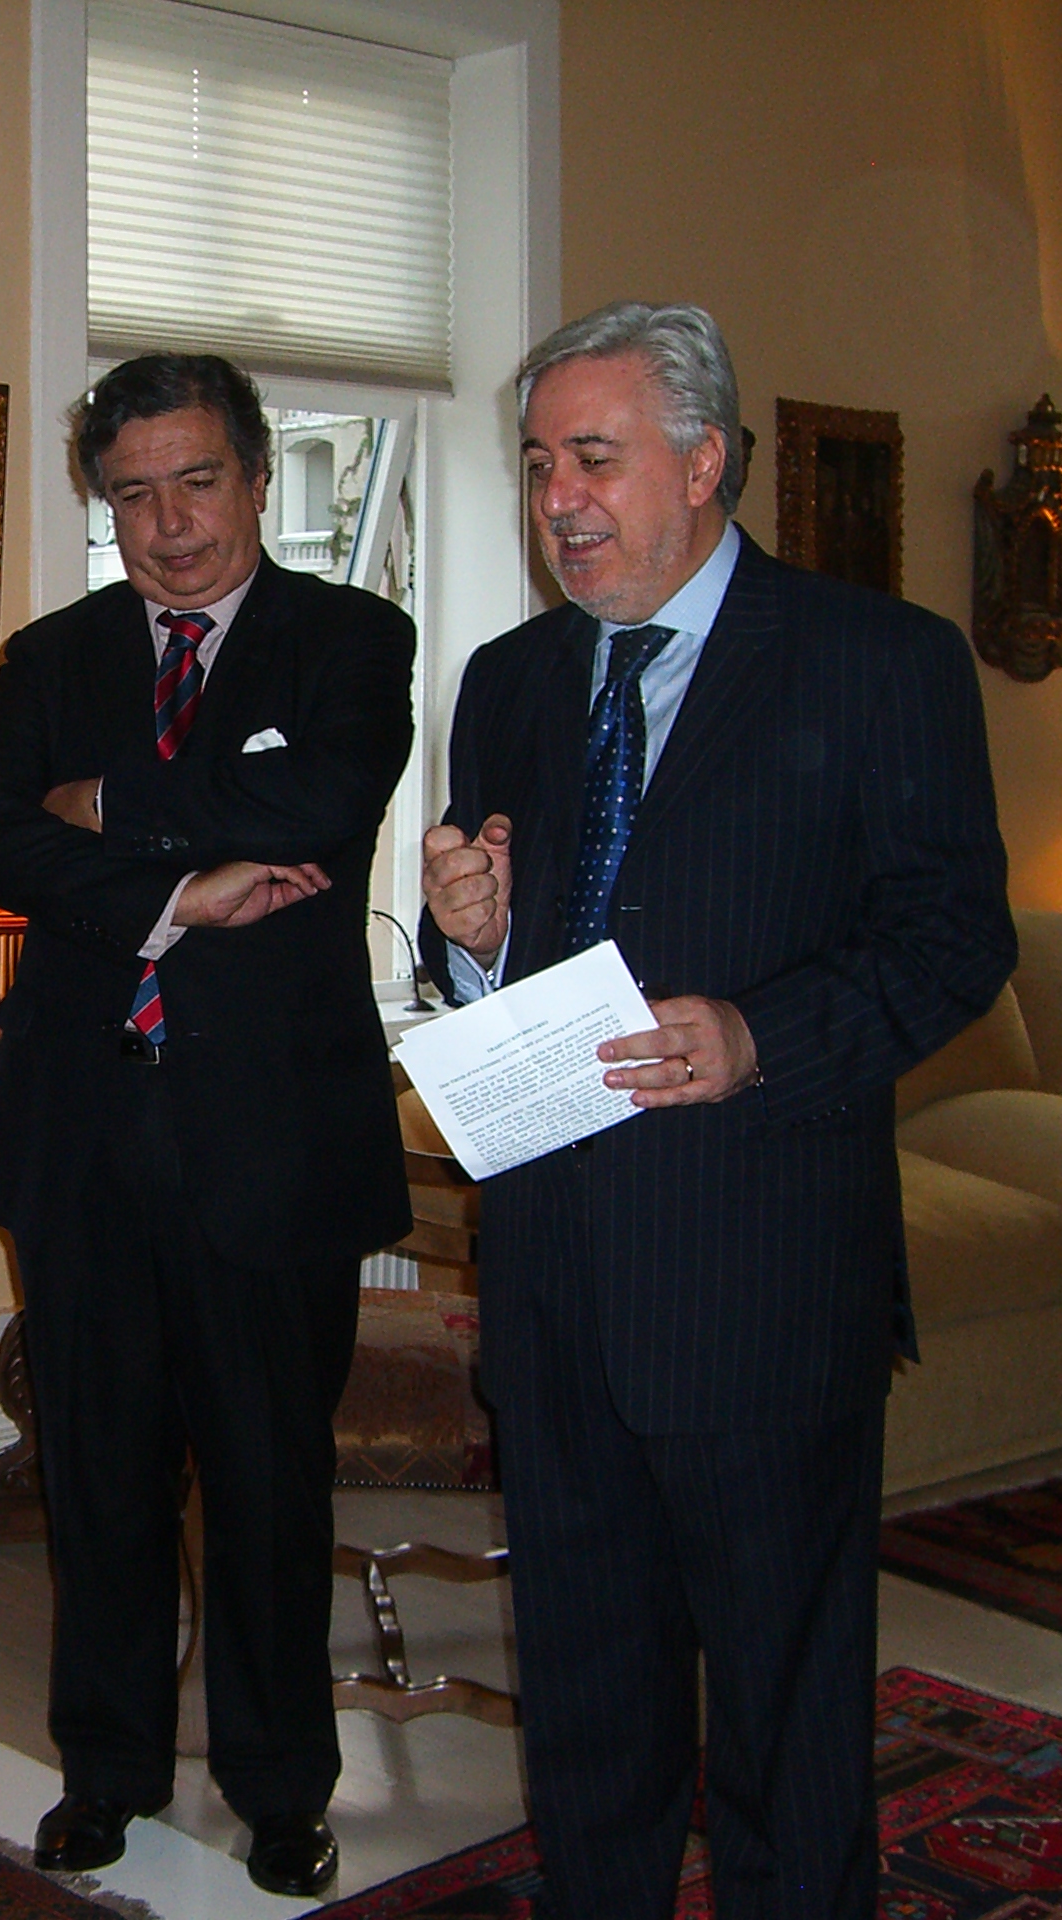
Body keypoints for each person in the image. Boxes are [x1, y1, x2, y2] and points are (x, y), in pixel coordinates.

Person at [417, 302, 1015, 1918]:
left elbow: (955, 939)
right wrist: (472, 939)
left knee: (782, 1720)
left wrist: (760, 1035)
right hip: (555, 1288)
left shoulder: (879, 662)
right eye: (538, 463)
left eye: (592, 459)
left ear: (703, 463)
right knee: (589, 1710)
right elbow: (498, 952)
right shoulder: (508, 681)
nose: (557, 500)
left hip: (762, 1285)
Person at [0, 352, 414, 1900]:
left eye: (197, 482)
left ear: (259, 479)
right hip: (83, 1128)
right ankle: (110, 1772)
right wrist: (174, 895)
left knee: (271, 1486)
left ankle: (282, 1790)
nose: (169, 526)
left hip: (274, 1136)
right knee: (98, 1478)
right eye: (133, 494)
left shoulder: (352, 639)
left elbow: (321, 807)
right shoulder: (56, 653)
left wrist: (104, 806)